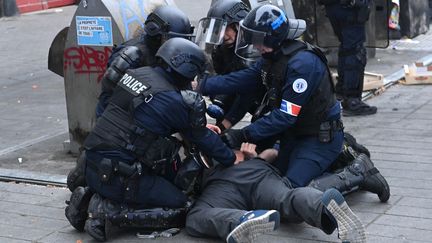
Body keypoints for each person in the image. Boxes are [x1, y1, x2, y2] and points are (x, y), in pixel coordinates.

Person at [199, 4, 389, 201]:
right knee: (272, 179)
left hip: (319, 139)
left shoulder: (302, 65)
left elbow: (284, 116)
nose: (253, 45)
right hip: (295, 135)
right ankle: (334, 158)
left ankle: (359, 172)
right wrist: (201, 85)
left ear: (271, 37)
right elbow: (242, 79)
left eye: (256, 39)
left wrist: (243, 134)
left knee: (291, 193)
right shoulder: (272, 57)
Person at [65, 38, 236, 242]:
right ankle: (105, 210)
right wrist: (231, 158)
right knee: (182, 204)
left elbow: (146, 117)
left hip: (93, 164)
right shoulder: (175, 100)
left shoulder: (137, 74)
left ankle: (90, 196)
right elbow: (202, 138)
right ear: (186, 70)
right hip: (117, 178)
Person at [66, 5, 195, 192]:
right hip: (120, 117)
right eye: (172, 39)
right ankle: (88, 174)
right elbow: (111, 94)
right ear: (156, 34)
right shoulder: (132, 55)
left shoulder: (168, 55)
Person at [186, 142, 366, 243]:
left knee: (196, 216)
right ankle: (322, 205)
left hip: (222, 185)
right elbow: (272, 153)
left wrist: (253, 156)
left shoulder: (202, 139)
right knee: (287, 198)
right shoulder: (231, 141)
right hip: (256, 171)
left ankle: (242, 219)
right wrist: (256, 158)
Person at [196, 0, 260, 131]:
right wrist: (219, 128)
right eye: (218, 29)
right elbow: (227, 83)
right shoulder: (222, 50)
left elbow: (246, 93)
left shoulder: (255, 51)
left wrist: (226, 124)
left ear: (239, 26)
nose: (222, 35)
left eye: (226, 29)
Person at [318, 0, 377, 116]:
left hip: (335, 7)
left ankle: (341, 92)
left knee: (347, 48)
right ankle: (352, 100)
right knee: (355, 51)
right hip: (350, 8)